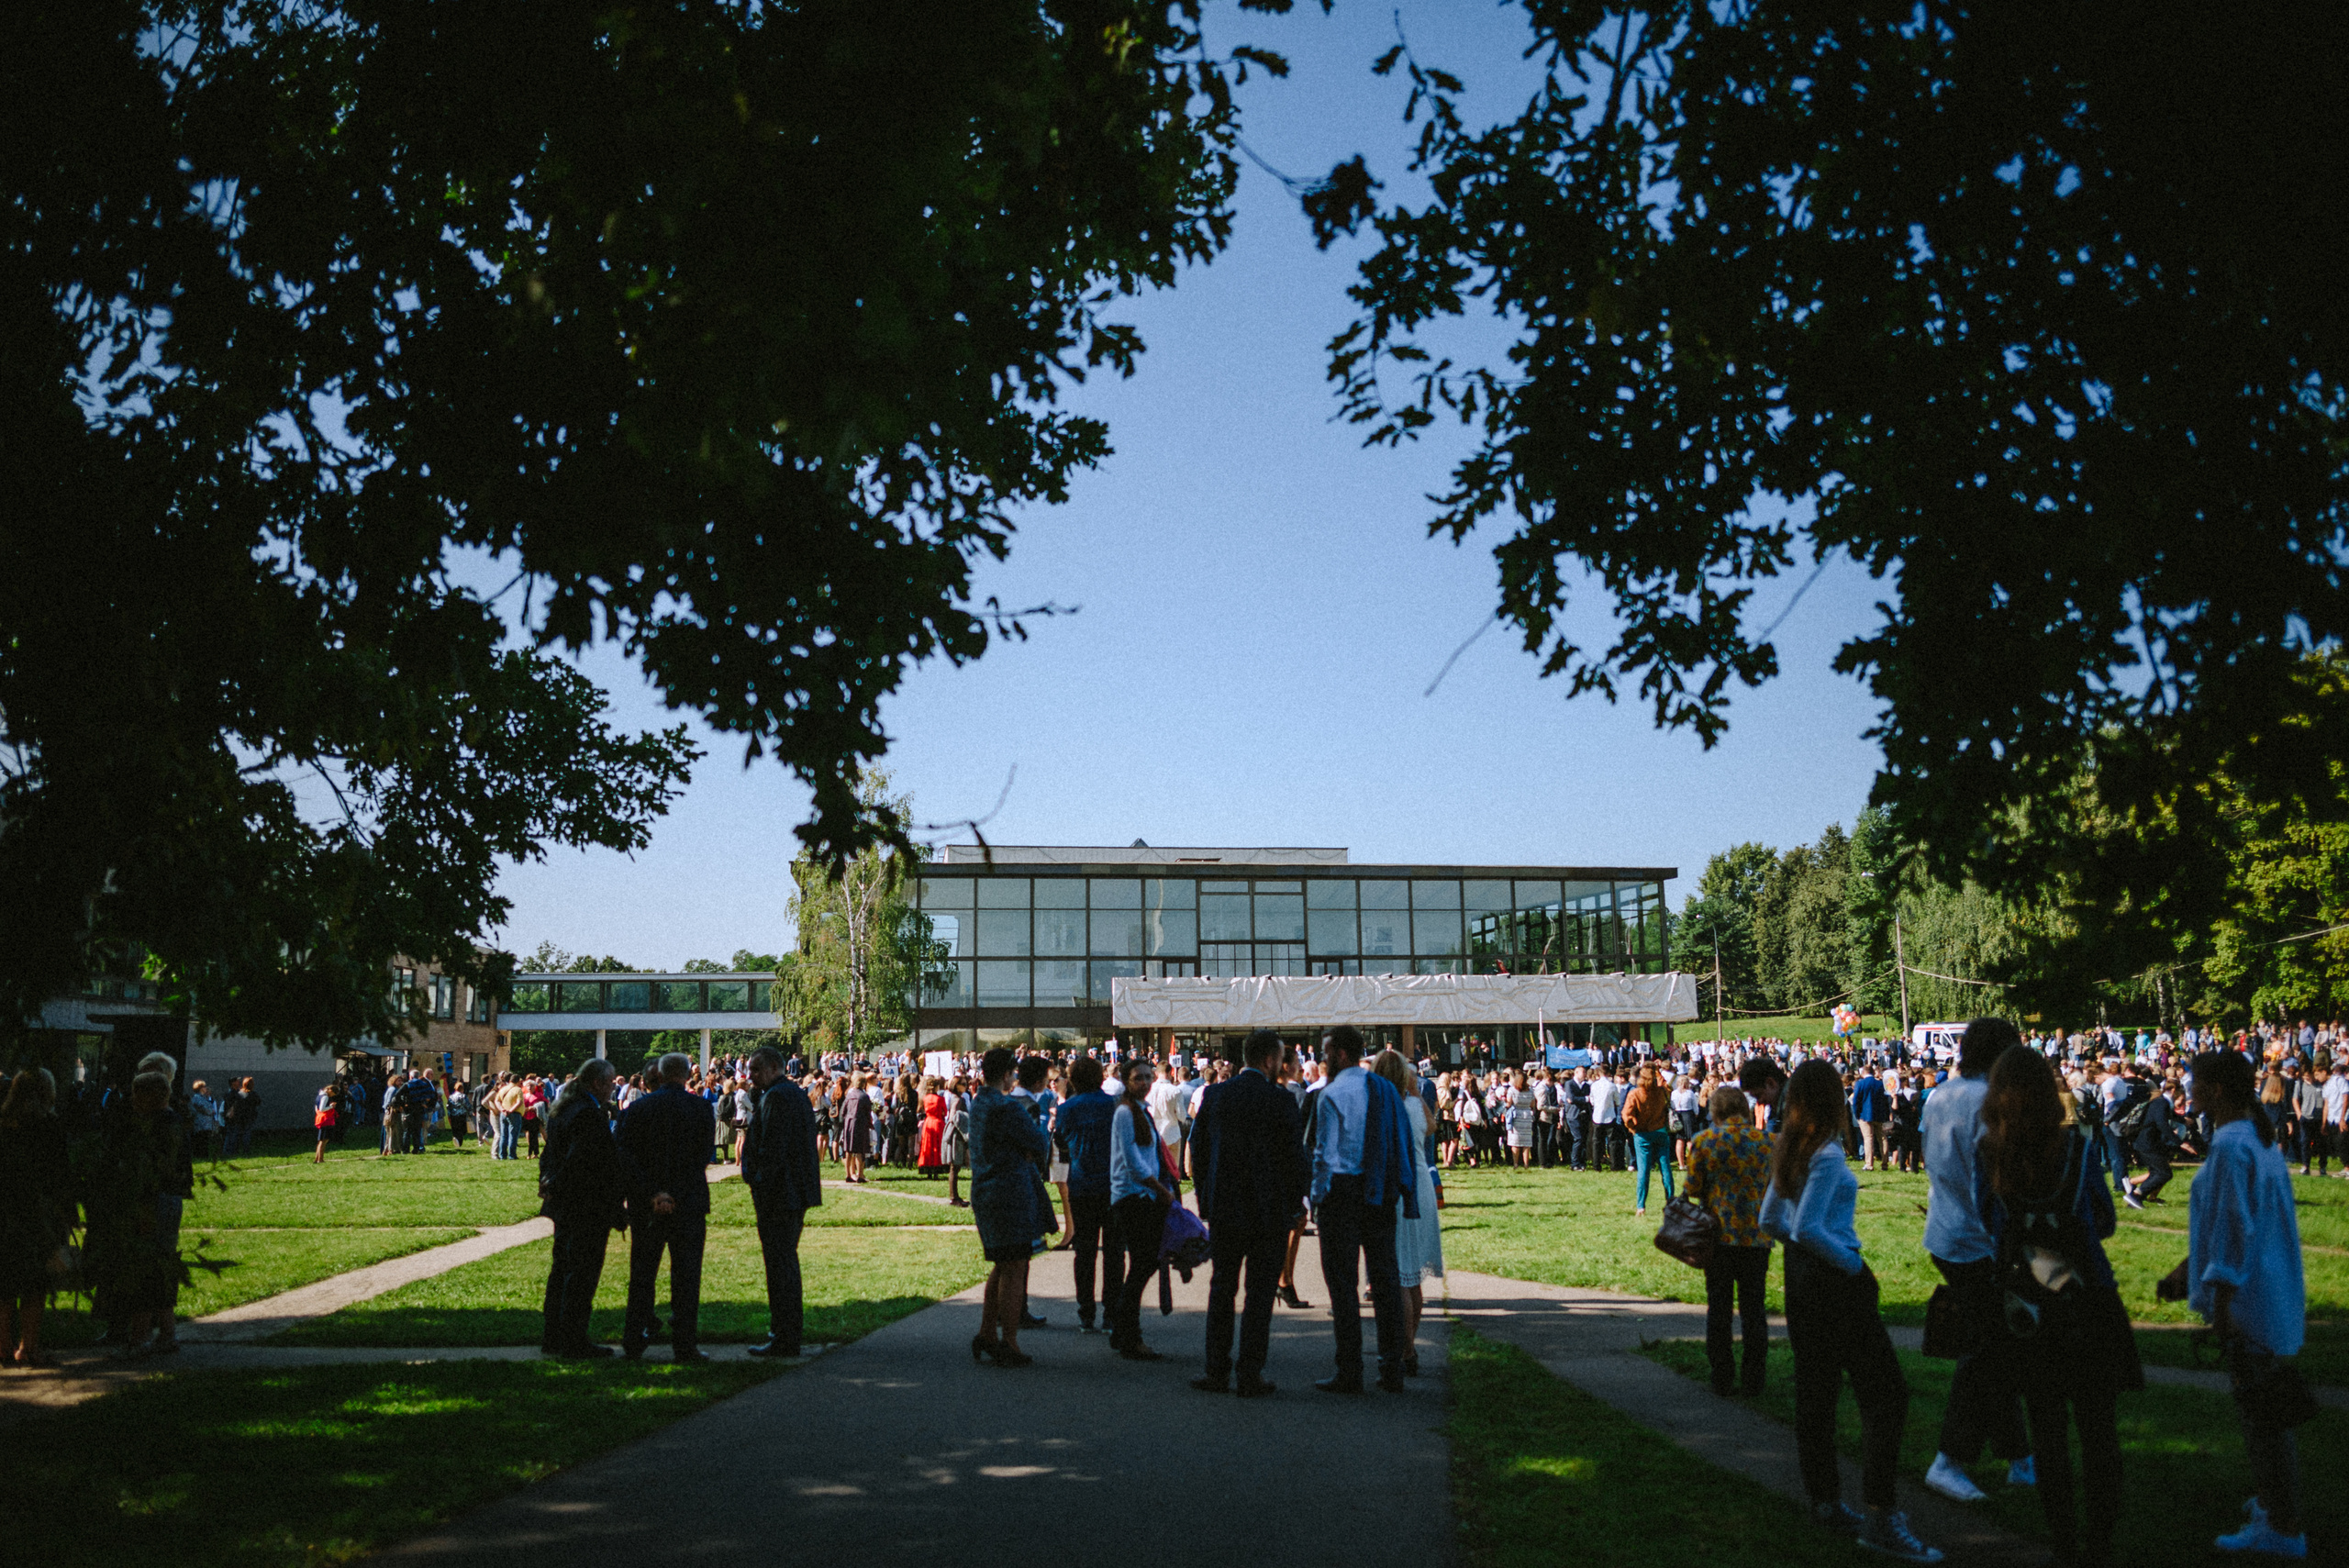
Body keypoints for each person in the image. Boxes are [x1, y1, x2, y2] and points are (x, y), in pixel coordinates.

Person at [1761, 1058, 1943, 1563]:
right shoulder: (1824, 1153)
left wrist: (1804, 1255)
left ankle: (1826, 1502)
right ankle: (1881, 1515)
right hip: (1835, 1283)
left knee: (1816, 1395)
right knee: (1886, 1395)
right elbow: (1807, 1227)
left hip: (1801, 1282)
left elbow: (1772, 1220)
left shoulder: (1790, 1148)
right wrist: (1853, 1266)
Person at [1978, 1044, 2136, 1567]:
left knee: (2046, 1430)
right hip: (2087, 1296)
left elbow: (1987, 1223)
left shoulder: (1989, 1152)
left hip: (2026, 1304)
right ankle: (2101, 1544)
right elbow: (2105, 1219)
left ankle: (2065, 1544)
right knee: (2098, 1429)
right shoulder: (2079, 1149)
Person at [2159, 1050, 2310, 1558]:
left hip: (2248, 1297)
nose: (2188, 1087)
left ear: (2217, 1090)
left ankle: (2283, 1526)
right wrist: (2187, 1270)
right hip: (2267, 1286)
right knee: (2264, 1409)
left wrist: (2221, 1304)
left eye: (2196, 1081)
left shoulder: (2231, 1145)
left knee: (2261, 1417)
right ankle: (2273, 1502)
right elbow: (2230, 1219)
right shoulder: (2255, 1139)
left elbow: (2232, 1227)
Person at [1914, 1017, 2037, 1504]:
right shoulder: (1989, 1102)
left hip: (1946, 1230)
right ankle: (1950, 1459)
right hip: (1978, 1239)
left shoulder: (1941, 1094)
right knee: (1987, 1353)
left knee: (1996, 1348)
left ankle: (2019, 1456)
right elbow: (1994, 1179)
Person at [1189, 1030, 1309, 1396]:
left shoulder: (1216, 1095)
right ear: (1270, 1060)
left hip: (1225, 1207)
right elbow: (1295, 1158)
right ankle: (1249, 1372)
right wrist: (1295, 1203)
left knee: (1222, 1288)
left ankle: (1216, 1369)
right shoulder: (1281, 1100)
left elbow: (1198, 1148)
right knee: (1259, 1294)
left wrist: (1206, 1199)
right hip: (1268, 1210)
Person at [1308, 1025, 1418, 1395]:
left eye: (1326, 1052)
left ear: (1340, 1054)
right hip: (1379, 1188)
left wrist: (1316, 1197)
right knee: (1385, 1281)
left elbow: (1324, 1154)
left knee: (1342, 1286)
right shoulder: (1385, 1089)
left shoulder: (1331, 1093)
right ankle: (1392, 1366)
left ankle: (1349, 1368)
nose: (1323, 1059)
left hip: (1342, 1191)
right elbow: (1401, 1137)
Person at [617, 1052, 715, 1362]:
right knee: (687, 1277)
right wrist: (674, 1194)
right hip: (688, 1202)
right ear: (687, 1076)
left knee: (642, 1273)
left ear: (658, 1075)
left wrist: (653, 1193)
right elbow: (702, 1156)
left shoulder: (637, 1109)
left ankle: (634, 1339)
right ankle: (685, 1344)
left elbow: (627, 1156)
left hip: (646, 1205)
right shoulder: (700, 1108)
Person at [538, 1058, 632, 1358]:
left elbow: (550, 1156)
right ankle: (573, 1339)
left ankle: (554, 1336)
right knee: (582, 1274)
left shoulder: (562, 1109)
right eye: (610, 1082)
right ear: (597, 1083)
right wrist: (614, 1204)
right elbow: (587, 1164)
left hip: (564, 1204)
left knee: (561, 1270)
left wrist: (549, 1183)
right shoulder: (588, 1114)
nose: (613, 1088)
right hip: (586, 1206)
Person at [1684, 1084, 1773, 1397]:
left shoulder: (1705, 1141)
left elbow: (1693, 1188)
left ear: (1716, 1111)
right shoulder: (1767, 1142)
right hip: (1756, 1235)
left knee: (1719, 1309)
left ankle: (1721, 1376)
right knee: (1754, 1310)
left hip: (1718, 1235)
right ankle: (1754, 1379)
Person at [968, 1047, 1050, 1366]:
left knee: (1001, 1264)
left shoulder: (978, 1102)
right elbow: (1038, 1143)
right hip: (1010, 1192)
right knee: (1015, 1267)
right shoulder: (1007, 1107)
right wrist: (1024, 1150)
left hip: (984, 1189)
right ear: (1005, 1074)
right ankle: (1009, 1341)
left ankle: (987, 1332)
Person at [740, 1045, 820, 1357]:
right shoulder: (794, 1094)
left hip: (779, 1194)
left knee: (779, 1264)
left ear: (774, 1067)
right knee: (784, 1261)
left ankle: (784, 1335)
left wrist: (758, 1180)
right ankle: (786, 1333)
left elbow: (772, 1148)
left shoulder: (776, 1097)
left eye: (756, 1069)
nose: (751, 1076)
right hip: (792, 1191)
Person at [1375, 1049, 1443, 1377]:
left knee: (1401, 1274)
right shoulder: (1414, 1106)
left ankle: (1406, 1349)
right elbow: (1432, 1127)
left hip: (1399, 1189)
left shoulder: (1383, 1107)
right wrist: (1415, 1091)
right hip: (1421, 1186)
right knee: (1413, 1278)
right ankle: (1409, 1345)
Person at [1103, 1057, 1173, 1362]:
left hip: (1146, 1196)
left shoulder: (1142, 1110)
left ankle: (1123, 1330)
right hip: (1132, 1197)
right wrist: (1160, 1190)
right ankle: (1128, 1334)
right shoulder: (1124, 1112)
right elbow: (1133, 1162)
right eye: (1138, 1078)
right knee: (1143, 1264)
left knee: (1144, 1264)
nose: (1144, 1083)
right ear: (1125, 1081)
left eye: (1148, 1077)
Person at [0, 1069, 72, 1368]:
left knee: (4, 1283)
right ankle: (28, 1347)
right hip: (39, 1212)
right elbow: (60, 1174)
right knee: (35, 1282)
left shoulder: (4, 1123)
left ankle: (2, 1346)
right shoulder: (48, 1125)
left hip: (6, 1211)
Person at [1052, 1056, 1122, 1335]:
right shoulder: (1114, 1105)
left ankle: (1086, 1312)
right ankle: (1111, 1312)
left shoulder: (1067, 1108)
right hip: (1112, 1184)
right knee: (1114, 1252)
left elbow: (1060, 1140)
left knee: (1085, 1252)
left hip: (1081, 1182)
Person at [1623, 1063, 1676, 1215]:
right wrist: (1657, 1071)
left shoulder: (1634, 1094)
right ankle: (1671, 1203)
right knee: (1666, 1169)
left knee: (1643, 1170)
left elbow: (1627, 1116)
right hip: (1660, 1132)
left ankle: (1641, 1206)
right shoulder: (1661, 1092)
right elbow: (1667, 1086)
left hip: (1642, 1134)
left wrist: (1632, 1128)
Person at [1852, 1062, 1889, 1170]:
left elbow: (1856, 1100)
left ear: (1863, 1072)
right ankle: (1885, 1163)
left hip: (1864, 1115)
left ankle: (1869, 1164)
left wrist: (1857, 1114)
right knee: (1882, 1138)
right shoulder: (1880, 1084)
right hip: (1879, 1114)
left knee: (1868, 1139)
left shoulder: (1860, 1083)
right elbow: (1884, 1100)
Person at [917, 1076, 948, 1175]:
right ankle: (937, 1168)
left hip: (928, 1122)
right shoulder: (940, 1099)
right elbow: (945, 1112)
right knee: (937, 1145)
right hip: (938, 1123)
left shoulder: (925, 1098)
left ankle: (928, 1168)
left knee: (928, 1145)